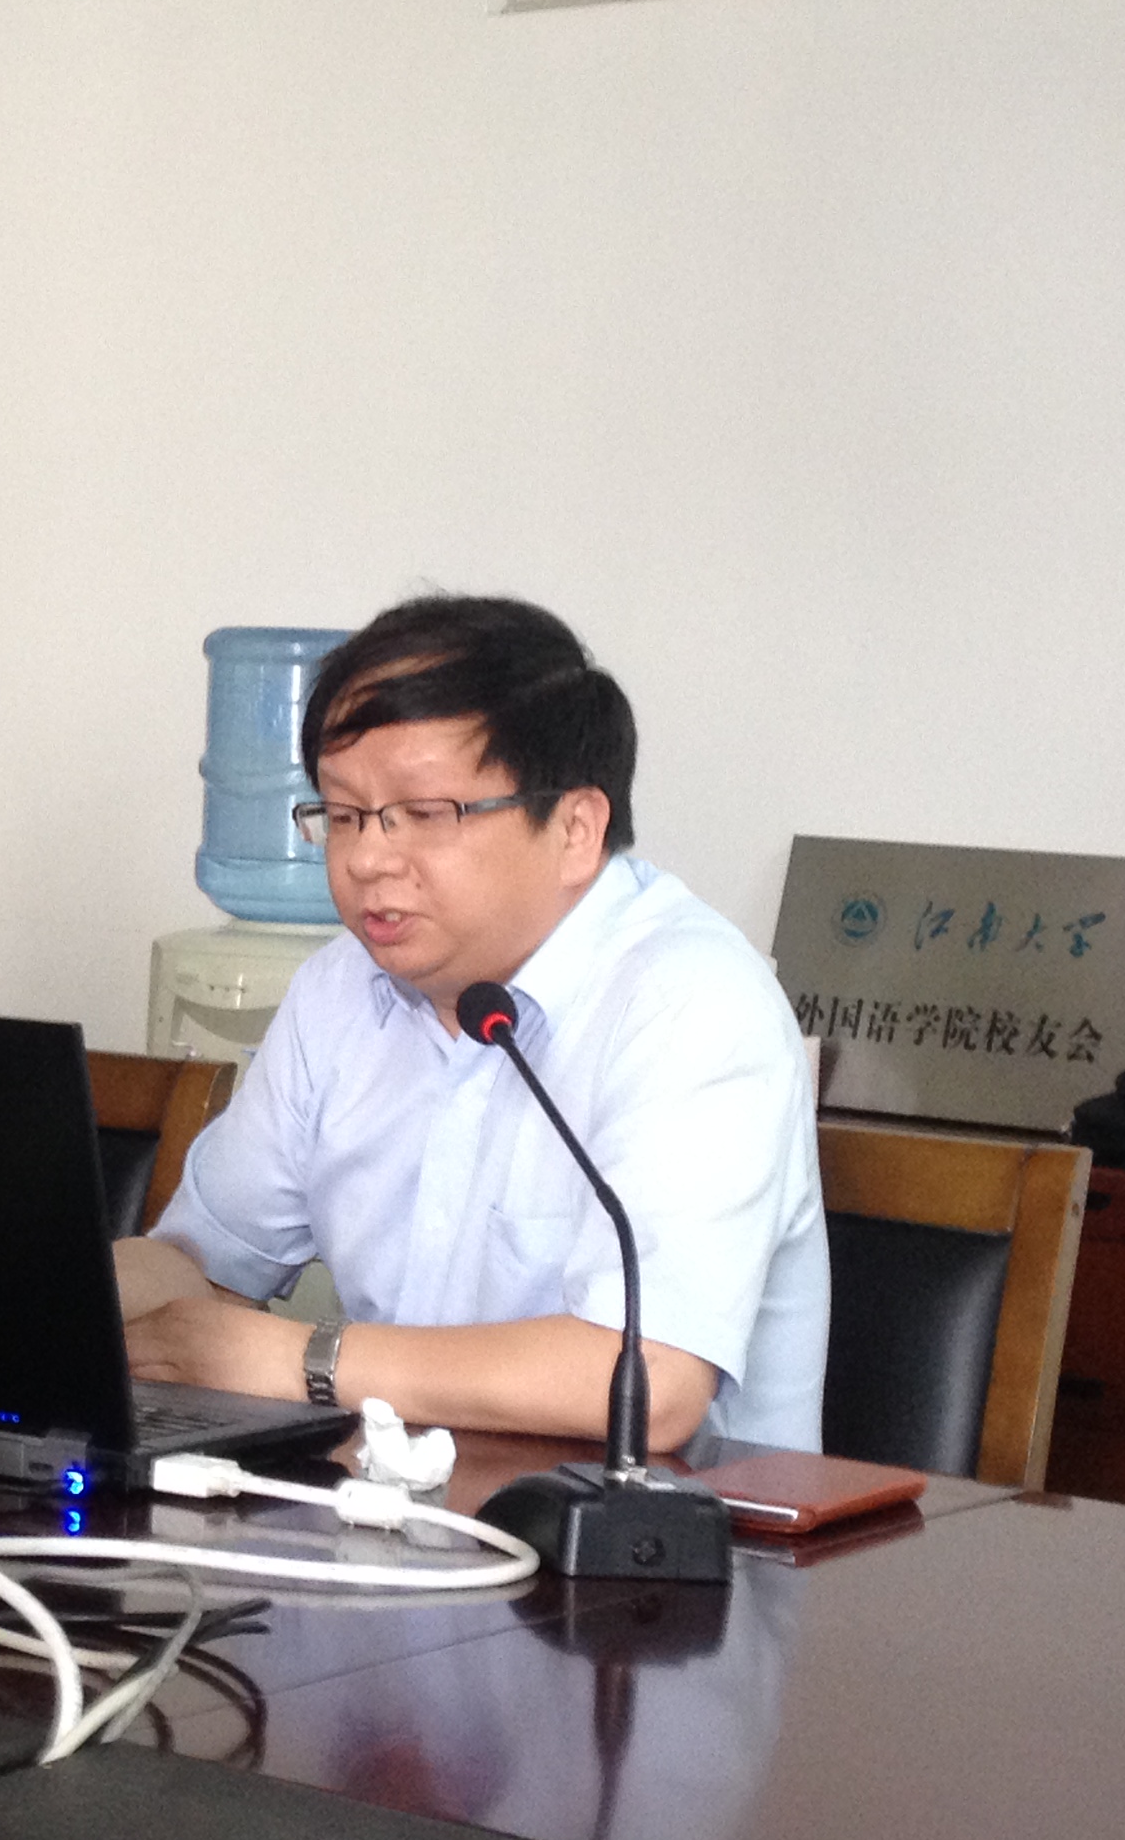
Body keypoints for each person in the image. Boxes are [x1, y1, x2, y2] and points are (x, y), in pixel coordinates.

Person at [114, 594, 828, 1450]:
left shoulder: (694, 1003)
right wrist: (19, 1292)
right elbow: (201, 1268)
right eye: (342, 815)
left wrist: (302, 1359)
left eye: (424, 815)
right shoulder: (342, 989)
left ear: (575, 829)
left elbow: (650, 1383)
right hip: (402, 1507)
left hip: (671, 1524)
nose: (367, 858)